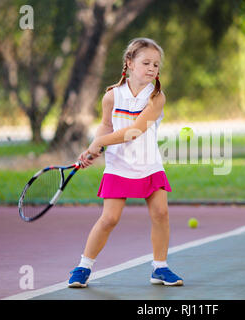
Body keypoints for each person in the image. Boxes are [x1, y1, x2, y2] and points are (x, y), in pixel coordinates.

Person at [68, 38, 183, 288]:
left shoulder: (156, 97)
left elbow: (135, 131)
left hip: (149, 164)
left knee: (161, 213)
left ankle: (160, 268)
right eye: (146, 63)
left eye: (156, 64)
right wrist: (96, 145)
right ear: (129, 63)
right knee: (109, 219)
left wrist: (97, 143)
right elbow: (106, 125)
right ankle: (82, 267)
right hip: (119, 166)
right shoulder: (111, 96)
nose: (152, 68)